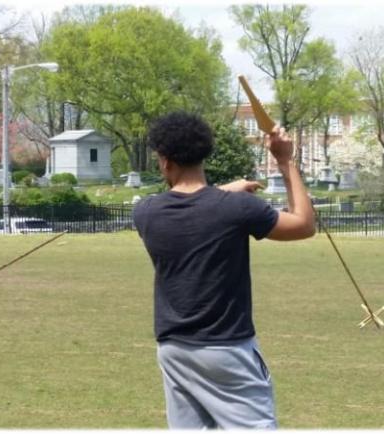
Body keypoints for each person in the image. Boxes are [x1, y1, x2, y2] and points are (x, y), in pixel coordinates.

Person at [133, 111, 315, 429]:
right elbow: (303, 224)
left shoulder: (145, 213)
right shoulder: (237, 209)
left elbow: (194, 203)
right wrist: (285, 161)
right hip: (227, 349)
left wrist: (227, 190)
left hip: (174, 350)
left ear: (164, 160)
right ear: (205, 152)